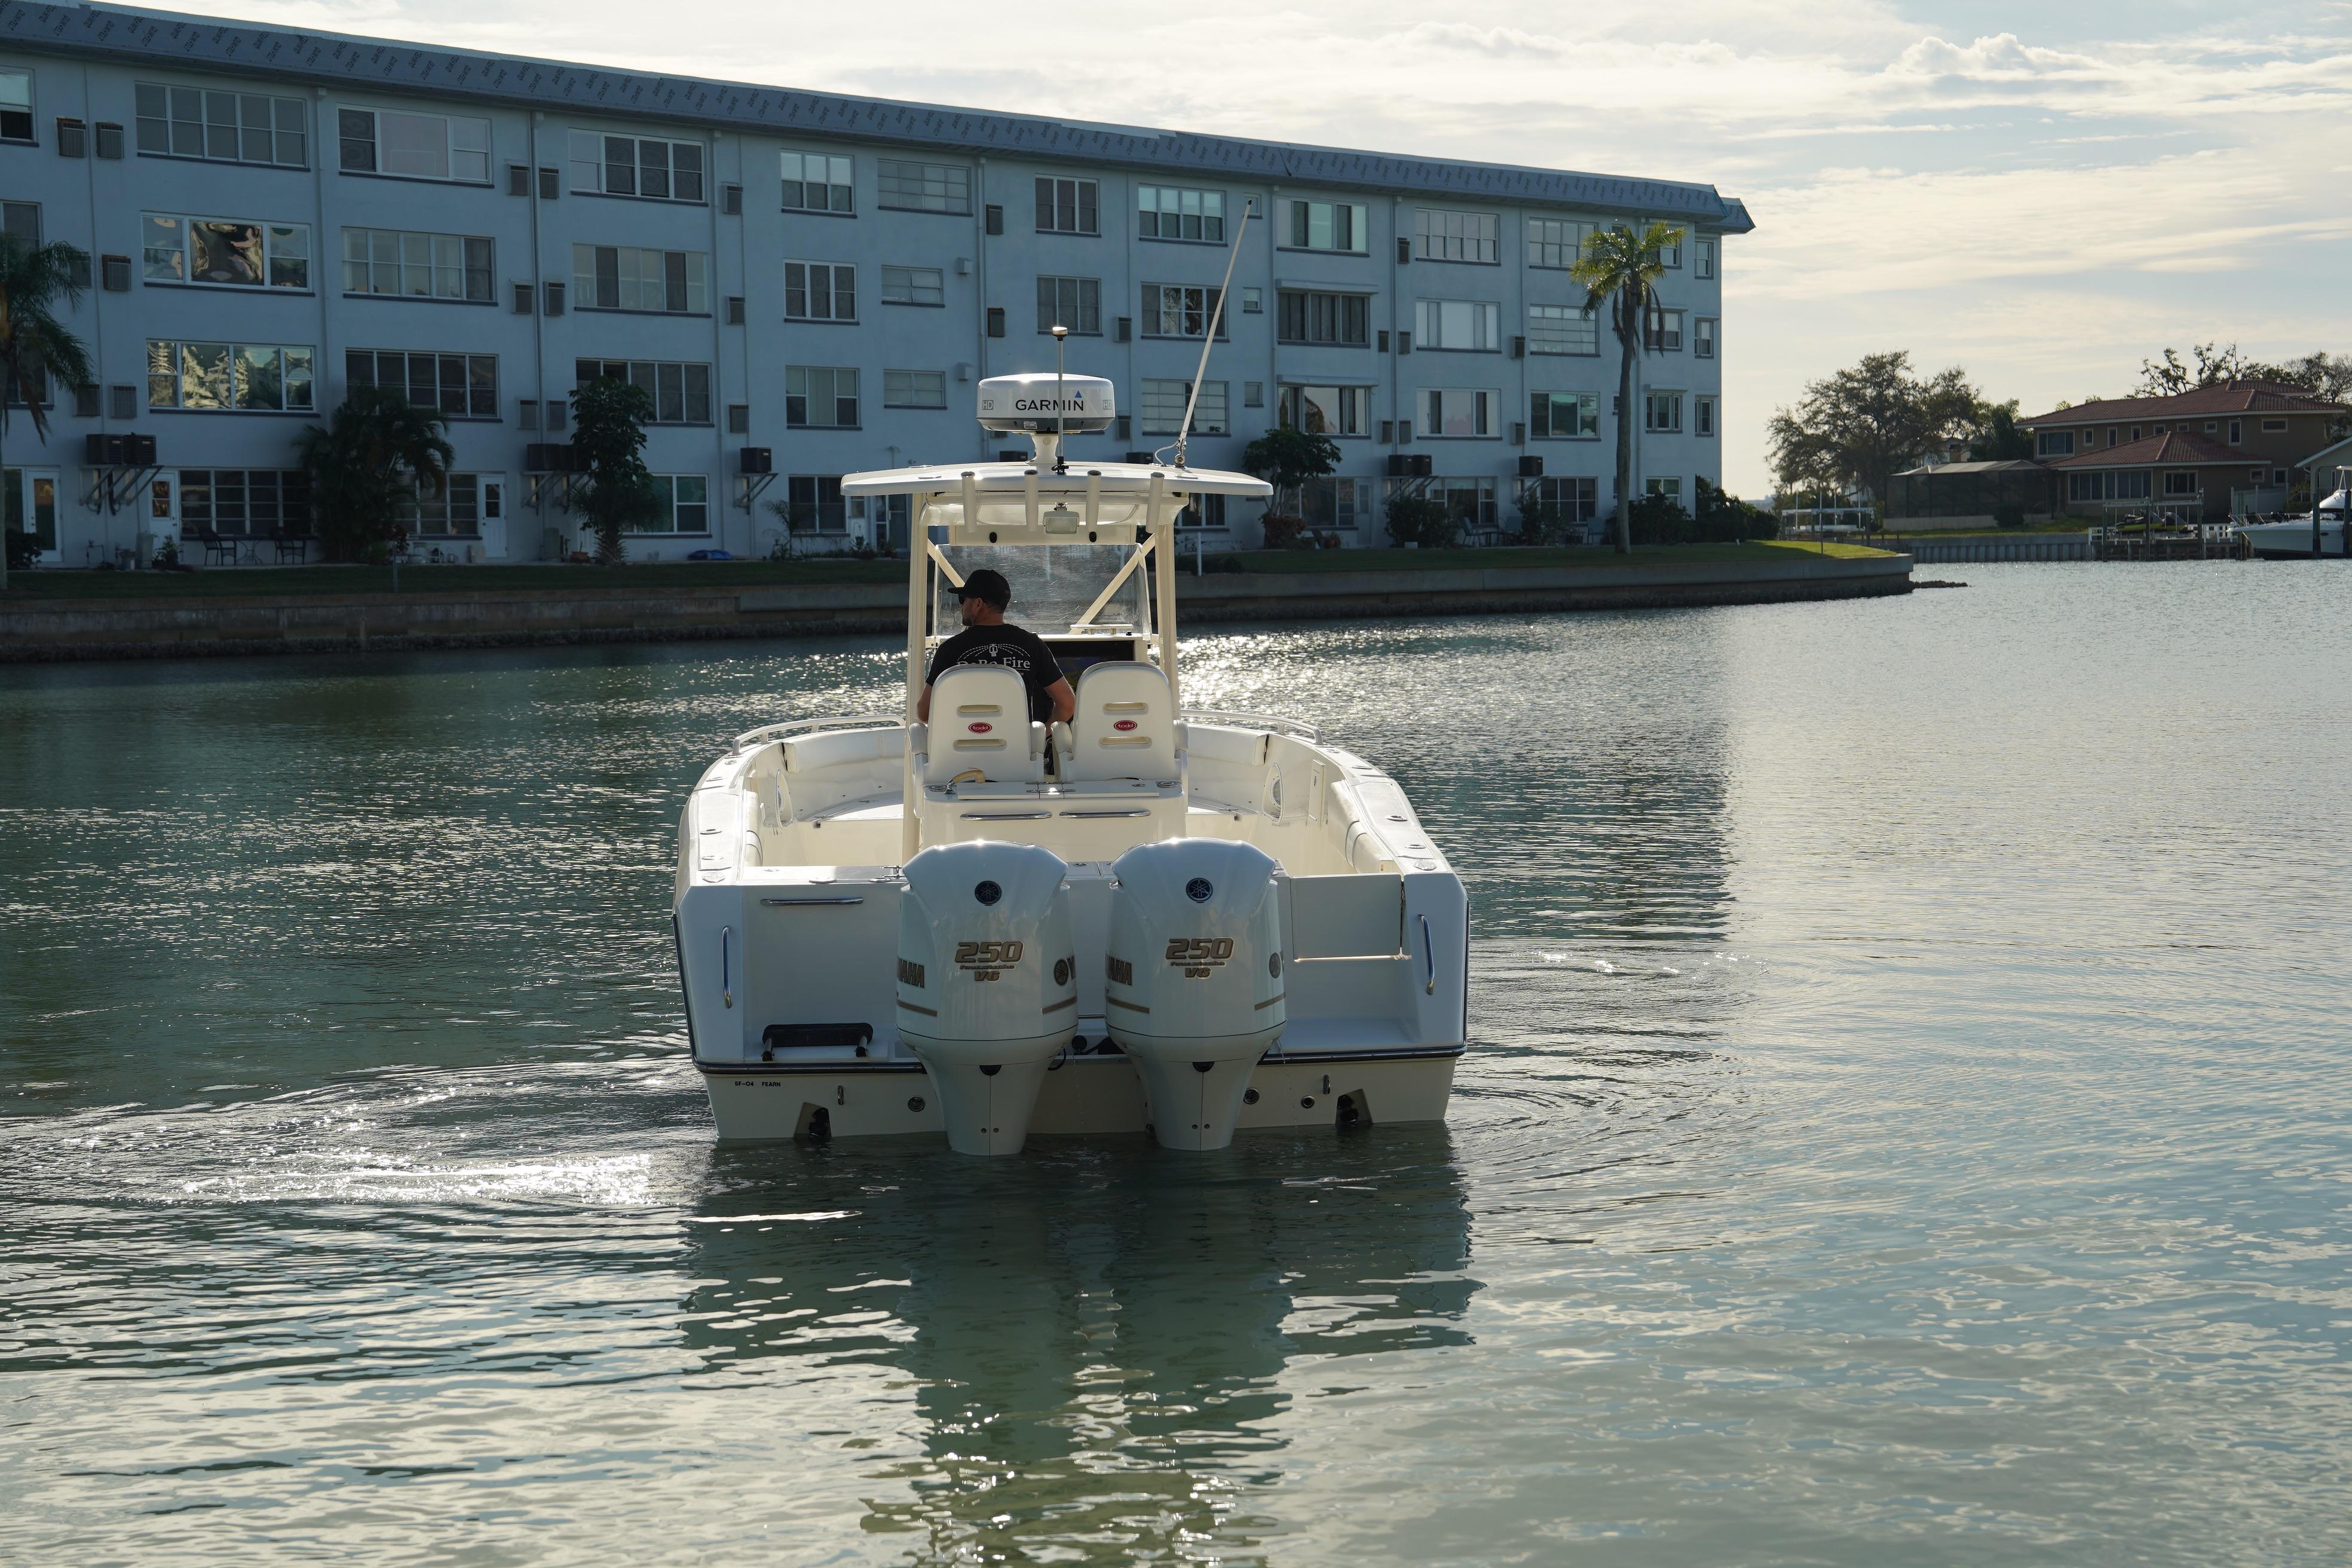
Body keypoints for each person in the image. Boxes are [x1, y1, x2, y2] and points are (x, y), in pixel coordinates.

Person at [917, 568, 1077, 731]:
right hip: (1017, 754)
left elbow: (924, 713)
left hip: (961, 751)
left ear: (978, 604)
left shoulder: (950, 649)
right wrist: (1038, 741)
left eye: (963, 599)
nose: (961, 605)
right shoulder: (1032, 645)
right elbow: (1068, 705)